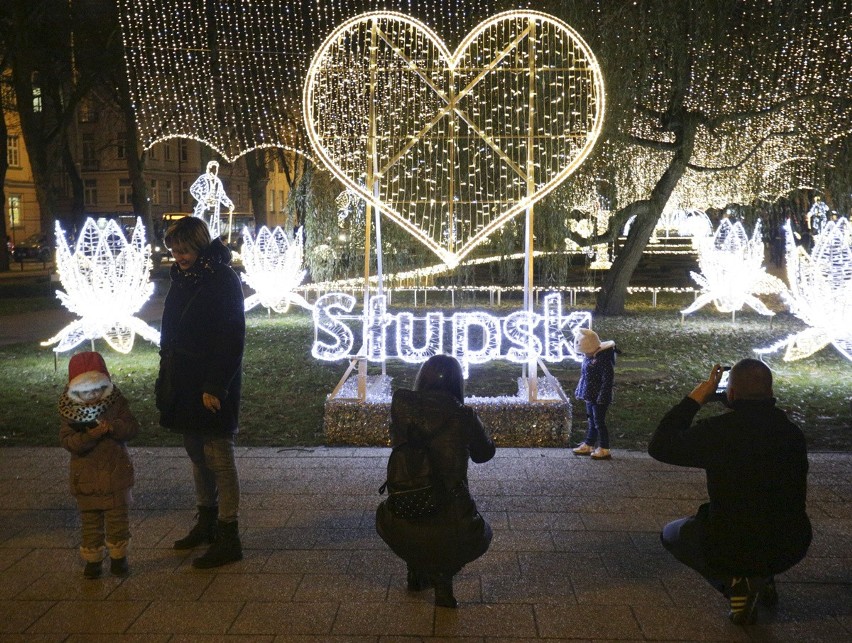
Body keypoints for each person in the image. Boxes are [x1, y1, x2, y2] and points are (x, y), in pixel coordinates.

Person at [648, 359, 812, 625]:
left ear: (731, 394)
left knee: (673, 534)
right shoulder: (792, 433)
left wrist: (694, 400)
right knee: (765, 516)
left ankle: (736, 584)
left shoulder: (719, 432)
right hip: (791, 543)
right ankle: (762, 579)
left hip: (729, 544)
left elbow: (660, 446)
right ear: (770, 392)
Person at [156, 215, 246, 568]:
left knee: (219, 454)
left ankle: (229, 533)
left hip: (211, 378)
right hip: (183, 377)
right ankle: (206, 520)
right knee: (195, 449)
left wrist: (215, 385)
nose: (179, 255)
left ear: (199, 245)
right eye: (175, 250)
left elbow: (232, 336)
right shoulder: (183, 278)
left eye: (184, 249)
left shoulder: (223, 279)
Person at [376, 355, 495, 608]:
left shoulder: (401, 404)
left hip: (402, 509)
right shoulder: (464, 415)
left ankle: (416, 570)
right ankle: (442, 581)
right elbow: (484, 454)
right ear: (457, 382)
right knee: (478, 532)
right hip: (454, 516)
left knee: (418, 520)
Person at [59, 351, 139, 579]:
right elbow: (68, 441)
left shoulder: (116, 403)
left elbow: (132, 428)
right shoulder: (69, 411)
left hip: (116, 475)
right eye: (85, 392)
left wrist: (113, 427)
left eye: (97, 389)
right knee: (91, 523)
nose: (93, 396)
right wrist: (89, 436)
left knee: (118, 521)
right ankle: (93, 561)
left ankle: (118, 557)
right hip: (86, 478)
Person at [571, 327, 618, 460]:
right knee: (591, 420)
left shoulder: (603, 361)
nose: (583, 355)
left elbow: (607, 381)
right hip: (590, 395)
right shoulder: (589, 357)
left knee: (599, 422)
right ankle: (589, 443)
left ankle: (604, 447)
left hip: (599, 398)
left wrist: (602, 397)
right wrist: (581, 390)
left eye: (585, 352)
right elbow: (584, 376)